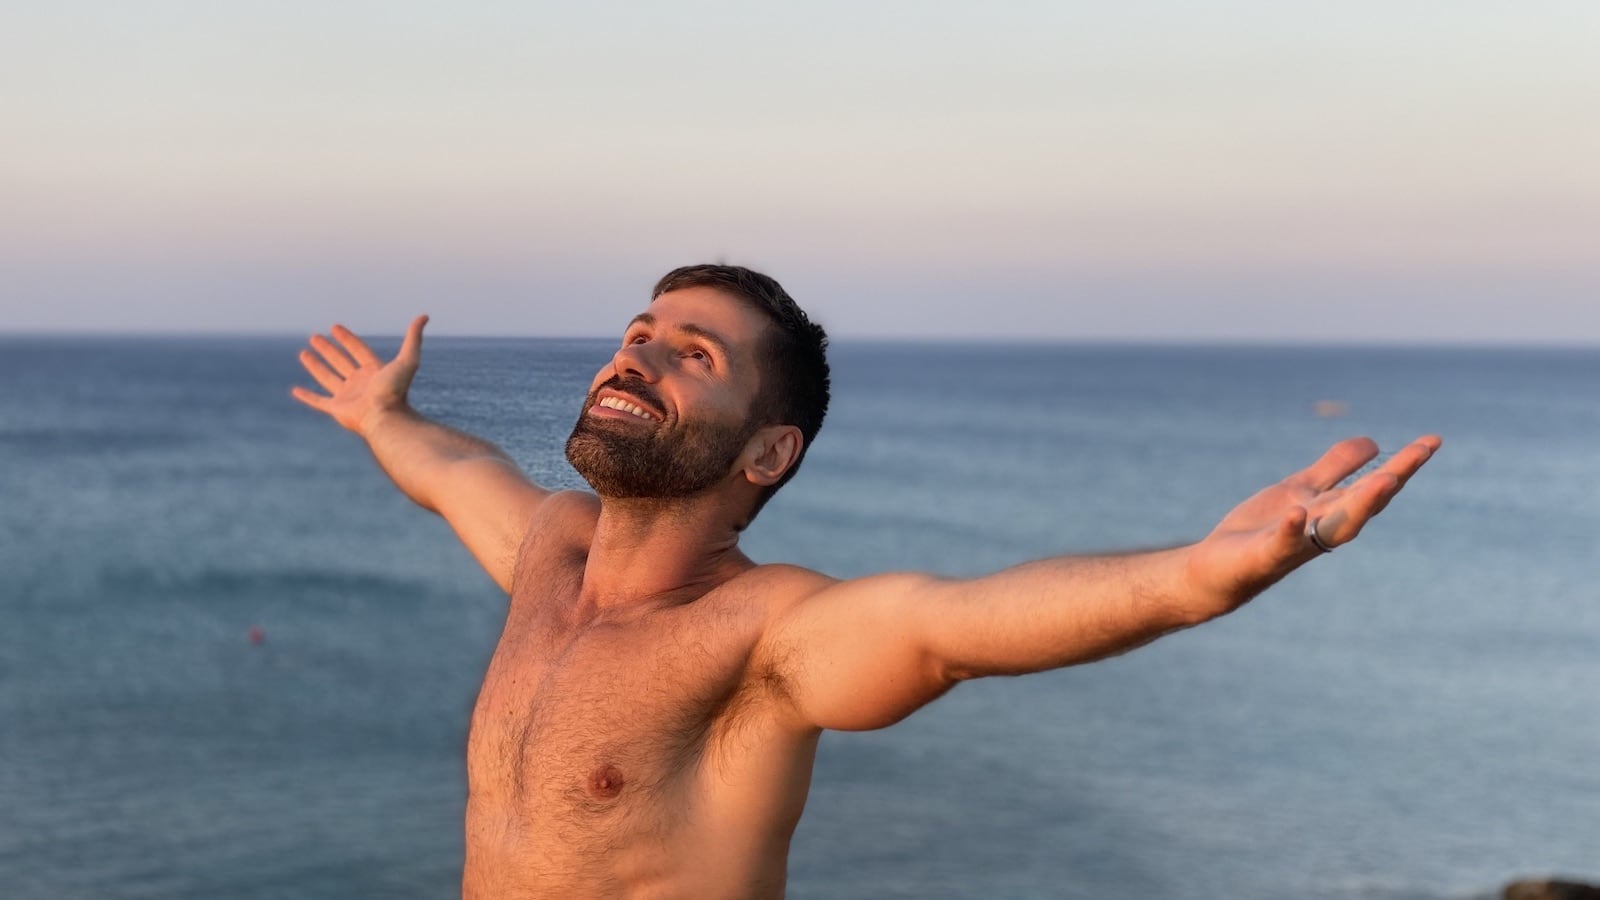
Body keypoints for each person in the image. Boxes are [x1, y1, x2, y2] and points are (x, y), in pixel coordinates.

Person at [291, 264, 1440, 900]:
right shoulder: (551, 551)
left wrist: (1196, 578)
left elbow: (950, 629)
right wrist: (382, 416)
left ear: (767, 453)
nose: (632, 354)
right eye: (639, 332)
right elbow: (452, 471)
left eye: (692, 355)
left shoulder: (765, 638)